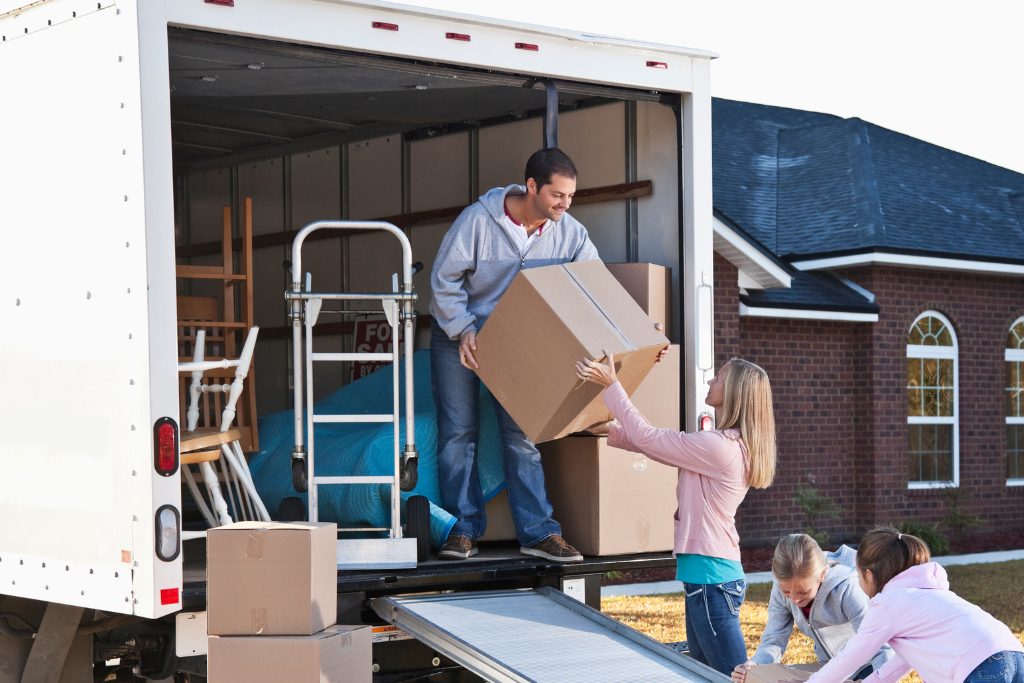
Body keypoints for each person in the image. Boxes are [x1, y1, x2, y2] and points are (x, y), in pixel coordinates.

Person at [428, 147, 599, 563]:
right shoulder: (477, 221)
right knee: (458, 433)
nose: (565, 204)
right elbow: (442, 280)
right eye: (558, 195)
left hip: (519, 342)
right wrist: (463, 329)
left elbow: (592, 288)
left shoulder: (571, 233)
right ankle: (461, 531)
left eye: (571, 196)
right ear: (532, 187)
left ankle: (539, 533)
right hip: (460, 334)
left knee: (522, 437)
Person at [577, 354, 777, 675]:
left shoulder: (720, 447)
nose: (710, 381)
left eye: (719, 377)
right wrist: (608, 430)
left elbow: (651, 438)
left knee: (736, 678)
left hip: (712, 579)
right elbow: (654, 445)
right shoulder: (726, 446)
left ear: (736, 392)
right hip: (707, 578)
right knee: (703, 675)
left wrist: (613, 386)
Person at [787, 528, 1024, 683]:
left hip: (982, 665)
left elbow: (850, 658)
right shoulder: (926, 596)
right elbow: (899, 664)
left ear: (869, 576)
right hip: (1013, 650)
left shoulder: (887, 604)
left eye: (858, 575)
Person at [731, 534, 893, 683]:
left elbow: (879, 646)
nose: (794, 599)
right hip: (830, 668)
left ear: (822, 574)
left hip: (868, 666)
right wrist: (756, 664)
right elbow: (774, 640)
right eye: (786, 591)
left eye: (803, 591)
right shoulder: (781, 588)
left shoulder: (846, 589)